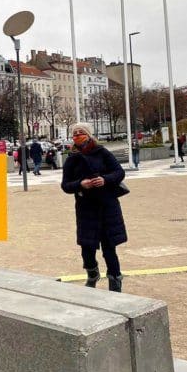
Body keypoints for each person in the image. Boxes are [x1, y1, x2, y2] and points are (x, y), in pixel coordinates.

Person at [61, 123, 127, 292]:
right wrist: (80, 184)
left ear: (89, 135)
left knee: (109, 248)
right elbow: (66, 185)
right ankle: (92, 273)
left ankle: (115, 280)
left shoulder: (102, 152)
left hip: (107, 206)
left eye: (81, 132)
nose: (77, 135)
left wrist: (105, 179)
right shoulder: (71, 158)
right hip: (86, 208)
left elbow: (119, 172)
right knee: (87, 248)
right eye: (74, 133)